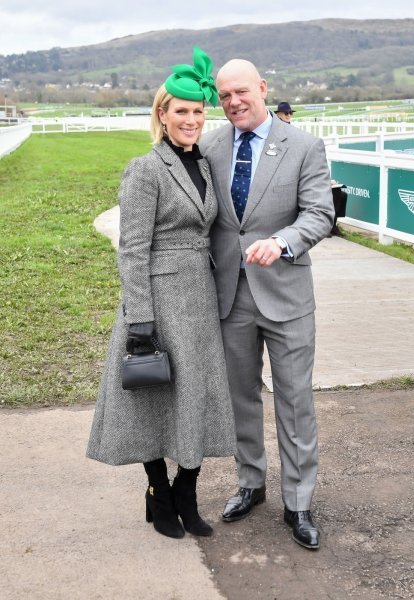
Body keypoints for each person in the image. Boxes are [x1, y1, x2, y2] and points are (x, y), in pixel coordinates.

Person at [87, 47, 236, 540]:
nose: (191, 119)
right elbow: (132, 249)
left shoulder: (206, 165)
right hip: (158, 299)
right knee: (153, 399)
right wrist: (140, 319)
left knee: (196, 396)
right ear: (162, 114)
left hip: (201, 295)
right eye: (181, 111)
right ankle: (160, 493)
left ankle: (187, 489)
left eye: (197, 111)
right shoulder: (145, 169)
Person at [199, 59, 334, 550]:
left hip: (286, 295)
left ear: (262, 88)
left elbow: (320, 213)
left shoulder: (303, 145)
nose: (233, 101)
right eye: (224, 95)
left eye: (241, 92)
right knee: (241, 397)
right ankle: (250, 483)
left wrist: (283, 241)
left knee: (295, 402)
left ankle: (298, 501)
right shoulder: (210, 145)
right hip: (230, 298)